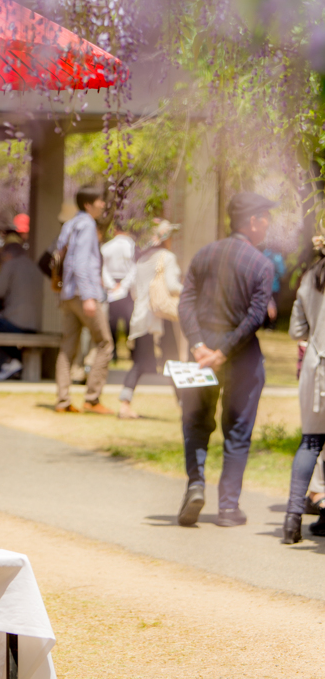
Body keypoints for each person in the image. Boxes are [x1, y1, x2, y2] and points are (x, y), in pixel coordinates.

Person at [177, 191, 275, 528]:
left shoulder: (204, 254)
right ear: (252, 221)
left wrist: (199, 345)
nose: (268, 225)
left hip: (201, 358)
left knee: (195, 422)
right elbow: (255, 316)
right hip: (242, 358)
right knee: (237, 431)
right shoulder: (260, 263)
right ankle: (229, 508)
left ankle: (195, 485)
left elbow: (185, 303)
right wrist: (225, 352)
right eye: (265, 218)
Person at [54, 184, 114, 414]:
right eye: (100, 201)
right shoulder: (88, 224)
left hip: (67, 294)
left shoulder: (69, 224)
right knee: (105, 343)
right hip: (82, 294)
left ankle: (62, 400)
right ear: (89, 204)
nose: (103, 205)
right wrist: (89, 296)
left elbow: (60, 255)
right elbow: (80, 262)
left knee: (68, 347)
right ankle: (92, 398)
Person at [282, 228, 325, 543]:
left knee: (310, 442)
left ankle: (291, 519)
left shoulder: (310, 276)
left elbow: (297, 327)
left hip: (314, 365)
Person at [118, 220, 182, 419]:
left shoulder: (142, 259)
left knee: (140, 361)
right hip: (159, 317)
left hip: (141, 316)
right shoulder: (167, 257)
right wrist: (190, 291)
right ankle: (184, 406)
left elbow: (135, 291)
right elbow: (172, 286)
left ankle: (124, 404)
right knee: (173, 362)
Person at [0, 239, 43, 380]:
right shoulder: (35, 267)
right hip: (35, 324)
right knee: (2, 328)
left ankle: (7, 363)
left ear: (8, 255)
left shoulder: (10, 264)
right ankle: (14, 365)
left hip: (16, 322)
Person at [101, 226, 136, 362]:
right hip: (123, 286)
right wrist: (123, 285)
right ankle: (129, 351)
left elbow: (103, 269)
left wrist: (113, 285)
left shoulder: (107, 246)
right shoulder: (131, 245)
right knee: (128, 320)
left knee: (113, 321)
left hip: (115, 286)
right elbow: (134, 268)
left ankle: (115, 351)